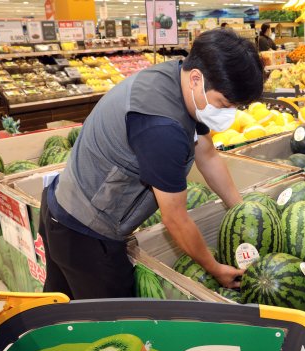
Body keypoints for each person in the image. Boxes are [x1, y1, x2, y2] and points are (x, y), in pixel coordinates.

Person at [39, 29, 265, 300]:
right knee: (111, 327)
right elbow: (175, 218)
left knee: (63, 310)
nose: (229, 114)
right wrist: (214, 268)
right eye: (224, 104)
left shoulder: (177, 78)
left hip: (66, 208)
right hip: (84, 233)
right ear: (196, 78)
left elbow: (206, 153)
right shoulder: (162, 128)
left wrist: (240, 209)